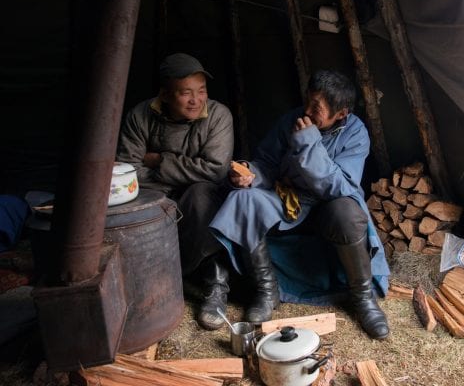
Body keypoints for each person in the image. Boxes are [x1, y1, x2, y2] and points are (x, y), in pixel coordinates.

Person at [209, 70, 390, 339]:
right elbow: (267, 164)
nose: (307, 110)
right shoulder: (290, 121)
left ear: (341, 113)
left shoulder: (355, 133)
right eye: (309, 101)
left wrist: (308, 143)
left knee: (348, 212)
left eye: (317, 107)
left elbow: (339, 186)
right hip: (286, 199)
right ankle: (267, 292)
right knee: (242, 198)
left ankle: (362, 299)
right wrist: (250, 173)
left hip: (326, 206)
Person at [116, 53, 234, 330]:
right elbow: (128, 169)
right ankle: (156, 286)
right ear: (166, 95)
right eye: (186, 93)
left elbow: (215, 169)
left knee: (202, 197)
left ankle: (216, 285)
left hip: (199, 193)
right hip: (155, 192)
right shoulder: (141, 115)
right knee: (139, 207)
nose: (196, 100)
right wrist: (167, 176)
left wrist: (158, 160)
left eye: (201, 91)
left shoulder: (218, 116)